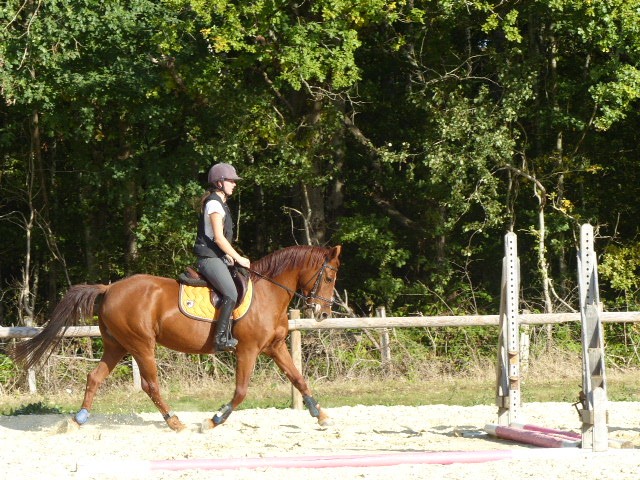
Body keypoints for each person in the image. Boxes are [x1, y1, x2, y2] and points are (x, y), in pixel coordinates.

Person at [193, 162, 251, 351]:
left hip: (218, 257)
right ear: (219, 183)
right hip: (209, 259)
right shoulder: (214, 204)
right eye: (231, 181)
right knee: (231, 293)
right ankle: (220, 339)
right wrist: (238, 257)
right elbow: (218, 238)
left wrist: (229, 256)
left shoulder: (222, 204)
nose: (234, 184)